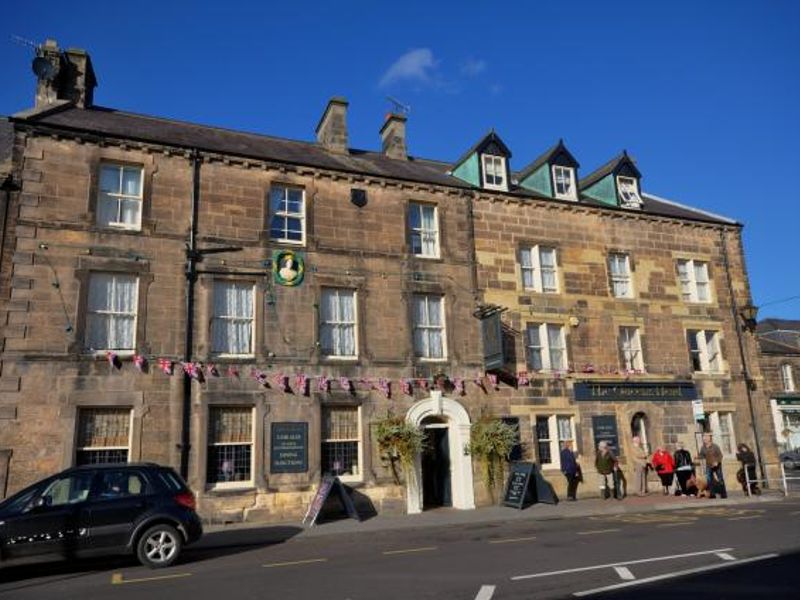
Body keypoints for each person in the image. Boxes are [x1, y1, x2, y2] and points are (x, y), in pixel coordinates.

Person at [699, 433, 726, 499]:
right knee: (709, 480)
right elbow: (701, 456)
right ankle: (712, 494)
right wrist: (698, 457)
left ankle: (723, 494)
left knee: (720, 479)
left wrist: (717, 462)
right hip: (709, 465)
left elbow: (720, 455)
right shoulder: (703, 447)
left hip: (717, 465)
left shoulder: (715, 446)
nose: (704, 438)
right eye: (704, 437)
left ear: (709, 438)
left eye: (705, 437)